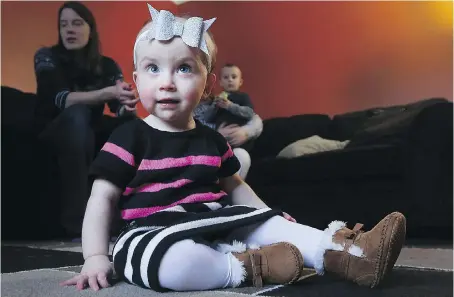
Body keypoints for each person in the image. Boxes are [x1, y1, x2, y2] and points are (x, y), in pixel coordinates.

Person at [61, 5, 406, 292]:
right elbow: (101, 199)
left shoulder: (212, 141)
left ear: (208, 85)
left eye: (183, 68)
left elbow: (235, 186)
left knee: (274, 226)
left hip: (214, 220)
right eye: (153, 68)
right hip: (149, 230)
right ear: (137, 80)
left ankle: (351, 255)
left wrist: (267, 215)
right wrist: (94, 256)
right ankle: (246, 265)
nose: (166, 81)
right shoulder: (127, 137)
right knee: (172, 265)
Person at [33, 1, 139, 238]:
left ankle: (134, 218)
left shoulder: (107, 65)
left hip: (89, 129)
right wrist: (107, 93)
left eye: (77, 23)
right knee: (78, 114)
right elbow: (60, 99)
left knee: (133, 127)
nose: (69, 30)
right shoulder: (46, 56)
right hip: (53, 128)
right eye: (64, 25)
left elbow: (119, 109)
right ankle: (78, 223)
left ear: (90, 29)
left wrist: (127, 104)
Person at [194, 64, 260, 179]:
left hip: (238, 143)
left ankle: (232, 191)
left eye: (234, 77)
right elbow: (202, 121)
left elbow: (252, 116)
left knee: (241, 156)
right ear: (220, 82)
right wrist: (215, 109)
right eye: (226, 77)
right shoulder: (187, 111)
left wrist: (244, 132)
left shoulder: (241, 97)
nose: (230, 80)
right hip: (216, 145)